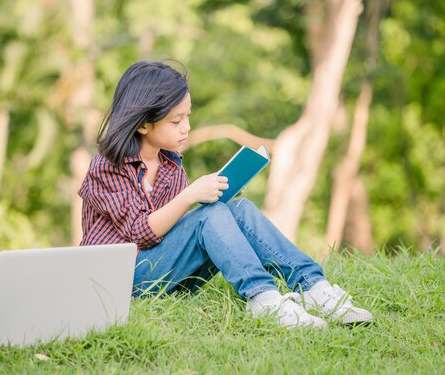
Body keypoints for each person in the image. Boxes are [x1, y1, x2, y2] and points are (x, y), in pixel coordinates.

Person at [78, 60, 372, 328]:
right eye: (175, 121)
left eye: (187, 117)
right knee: (210, 216)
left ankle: (314, 287)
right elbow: (138, 233)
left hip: (168, 274)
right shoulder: (107, 167)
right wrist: (191, 196)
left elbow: (179, 231)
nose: (186, 128)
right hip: (121, 280)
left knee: (238, 209)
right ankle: (264, 299)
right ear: (143, 123)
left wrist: (216, 196)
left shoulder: (171, 167)